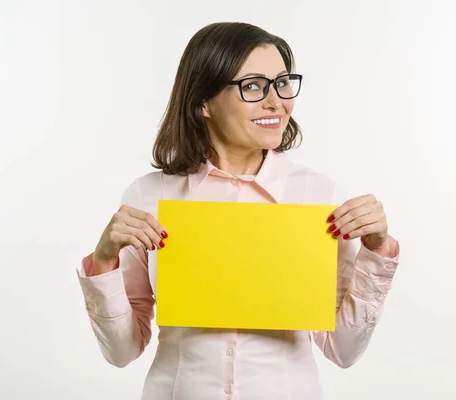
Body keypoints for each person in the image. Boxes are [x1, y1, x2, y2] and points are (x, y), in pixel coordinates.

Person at [77, 21, 400, 400]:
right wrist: (104, 262)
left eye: (281, 82)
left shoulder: (320, 197)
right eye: (252, 86)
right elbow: (121, 351)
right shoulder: (150, 196)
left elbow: (342, 350)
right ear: (203, 102)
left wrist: (376, 252)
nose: (276, 101)